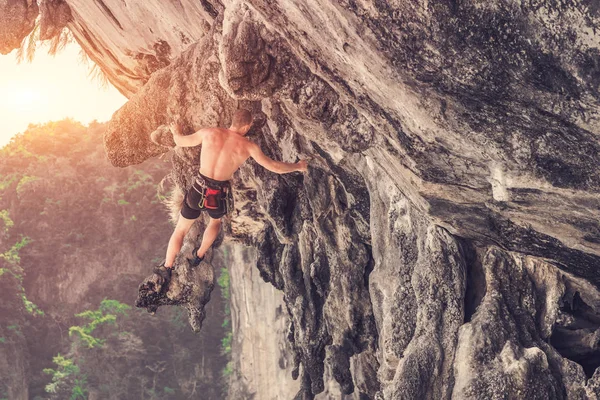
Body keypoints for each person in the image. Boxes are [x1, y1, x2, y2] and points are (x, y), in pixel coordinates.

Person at [154, 109, 308, 283]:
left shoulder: (209, 132)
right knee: (215, 222)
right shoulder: (248, 146)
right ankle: (199, 255)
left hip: (199, 188)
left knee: (180, 230)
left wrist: (176, 131)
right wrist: (298, 166)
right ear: (247, 126)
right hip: (218, 193)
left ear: (232, 121)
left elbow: (180, 142)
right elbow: (275, 167)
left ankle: (166, 268)